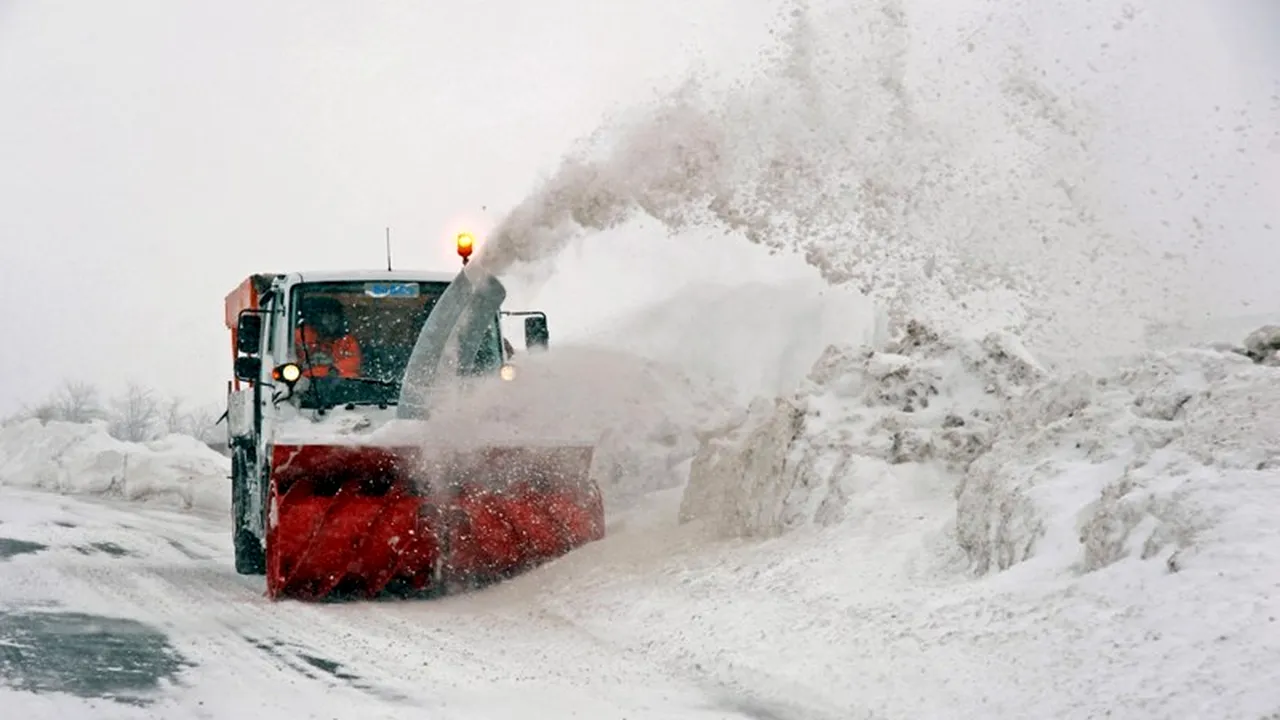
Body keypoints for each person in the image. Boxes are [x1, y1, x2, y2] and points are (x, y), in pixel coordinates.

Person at [295, 296, 362, 378]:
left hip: (336, 381)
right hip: (304, 380)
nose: (331, 320)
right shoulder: (302, 335)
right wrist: (304, 363)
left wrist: (333, 364)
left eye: (335, 315)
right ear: (317, 317)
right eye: (327, 315)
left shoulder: (348, 341)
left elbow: (354, 363)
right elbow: (288, 357)